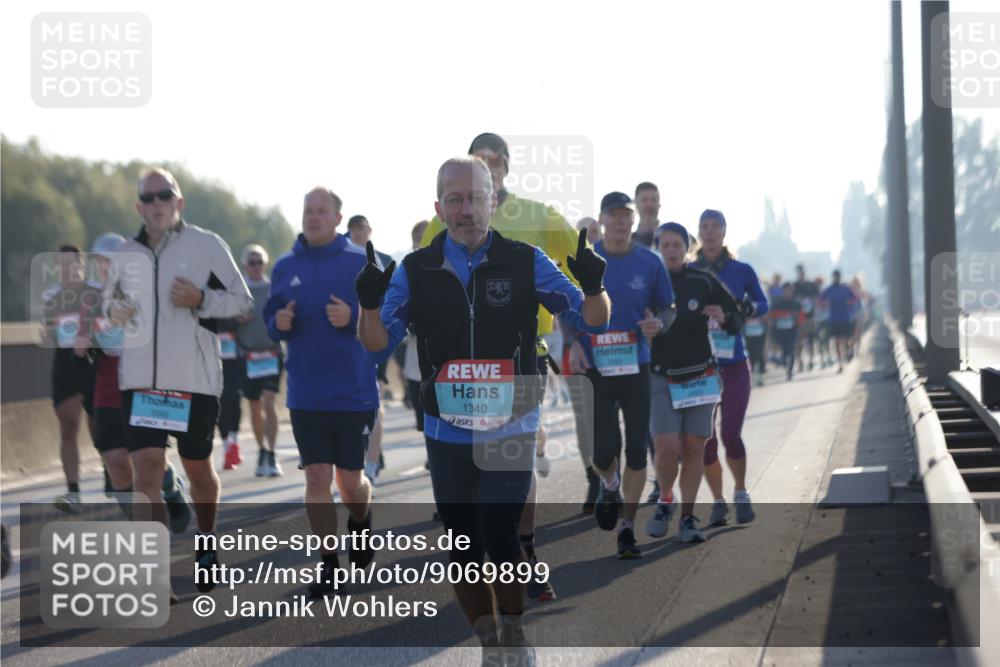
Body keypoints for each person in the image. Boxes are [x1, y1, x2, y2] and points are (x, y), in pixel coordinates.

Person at [359, 156, 609, 663]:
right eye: (454, 199)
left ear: (493, 202)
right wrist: (367, 305)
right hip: (445, 423)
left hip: (512, 415)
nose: (465, 209)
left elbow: (594, 321)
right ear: (438, 207)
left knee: (499, 531)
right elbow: (374, 344)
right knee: (462, 545)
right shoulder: (415, 269)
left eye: (475, 197)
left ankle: (514, 632)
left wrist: (593, 287)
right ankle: (489, 642)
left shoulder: (525, 259)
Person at [420, 133, 581, 604]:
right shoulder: (447, 218)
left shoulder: (539, 215)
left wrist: (588, 293)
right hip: (460, 366)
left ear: (505, 170)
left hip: (521, 355)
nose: (484, 170)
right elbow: (423, 273)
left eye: (492, 163)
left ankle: (523, 550)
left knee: (517, 455)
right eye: (476, 162)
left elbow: (581, 264)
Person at [103, 167, 253, 592]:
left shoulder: (207, 246)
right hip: (141, 383)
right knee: (147, 467)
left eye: (163, 195)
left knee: (199, 470)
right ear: (138, 207)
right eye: (148, 198)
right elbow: (106, 316)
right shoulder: (123, 256)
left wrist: (201, 299)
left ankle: (207, 546)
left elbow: (243, 302)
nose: (156, 204)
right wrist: (113, 316)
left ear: (178, 202)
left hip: (194, 382)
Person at [264, 187, 378, 598]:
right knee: (317, 477)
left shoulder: (359, 263)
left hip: (353, 391)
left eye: (321, 211)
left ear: (336, 218)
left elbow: (383, 322)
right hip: (305, 393)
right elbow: (270, 321)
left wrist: (353, 318)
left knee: (351, 483)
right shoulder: (285, 266)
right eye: (307, 210)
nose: (312, 217)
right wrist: (278, 322)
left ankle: (361, 522)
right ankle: (328, 564)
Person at [566, 192, 674, 558]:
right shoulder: (587, 258)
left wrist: (658, 322)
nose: (621, 222)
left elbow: (667, 307)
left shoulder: (650, 261)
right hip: (596, 367)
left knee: (639, 451)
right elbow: (564, 305)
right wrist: (574, 343)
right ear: (603, 219)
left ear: (632, 220)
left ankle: (627, 529)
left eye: (626, 216)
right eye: (613, 216)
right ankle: (608, 484)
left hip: (636, 366)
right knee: (602, 451)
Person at [81, 233, 192, 535]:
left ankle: (170, 489)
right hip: (108, 392)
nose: (105, 268)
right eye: (101, 263)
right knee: (117, 462)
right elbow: (86, 348)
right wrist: (84, 343)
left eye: (112, 262)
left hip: (147, 388)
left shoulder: (149, 293)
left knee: (151, 461)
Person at [646, 222, 743, 542]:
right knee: (666, 446)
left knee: (693, 448)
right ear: (658, 247)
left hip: (700, 376)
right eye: (665, 245)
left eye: (677, 245)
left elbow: (736, 317)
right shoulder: (648, 281)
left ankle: (687, 518)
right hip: (660, 374)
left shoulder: (703, 280)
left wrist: (724, 316)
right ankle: (665, 499)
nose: (671, 250)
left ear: (687, 248)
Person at [690, 209, 768, 527]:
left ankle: (740, 492)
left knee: (731, 434)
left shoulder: (741, 270)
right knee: (706, 439)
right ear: (699, 233)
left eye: (715, 227)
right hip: (700, 367)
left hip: (734, 363)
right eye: (704, 227)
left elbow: (763, 304)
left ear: (724, 232)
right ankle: (718, 502)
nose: (709, 232)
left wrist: (738, 310)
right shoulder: (688, 271)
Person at [43, 245, 98, 513]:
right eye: (60, 265)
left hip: (94, 364)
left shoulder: (95, 293)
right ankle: (73, 492)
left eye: (70, 264)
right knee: (68, 428)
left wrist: (90, 338)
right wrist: (46, 334)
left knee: (100, 428)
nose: (65, 270)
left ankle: (112, 471)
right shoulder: (51, 297)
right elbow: (48, 333)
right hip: (65, 366)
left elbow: (111, 329)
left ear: (81, 264)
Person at [347, 214, 392, 484]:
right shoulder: (344, 261)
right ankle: (367, 453)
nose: (358, 234)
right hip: (349, 344)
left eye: (362, 230)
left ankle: (371, 464)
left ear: (370, 231)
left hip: (377, 339)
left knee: (374, 404)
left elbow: (393, 301)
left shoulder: (383, 260)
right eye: (353, 230)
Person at [236, 244, 283, 477]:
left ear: (265, 264)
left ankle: (272, 453)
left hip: (272, 352)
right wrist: (236, 318)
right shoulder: (238, 289)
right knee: (254, 407)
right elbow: (224, 319)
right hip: (248, 355)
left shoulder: (274, 289)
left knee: (269, 402)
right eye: (251, 262)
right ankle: (262, 449)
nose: (256, 266)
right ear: (244, 265)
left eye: (260, 262)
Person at [217, 316, 243, 469]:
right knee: (221, 401)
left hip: (235, 357)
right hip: (214, 358)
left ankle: (234, 441)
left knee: (234, 399)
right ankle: (227, 445)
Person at [820, 269, 858, 373]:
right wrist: (825, 304)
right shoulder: (829, 289)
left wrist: (849, 302)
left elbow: (855, 299)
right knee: (836, 342)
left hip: (845, 318)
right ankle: (840, 363)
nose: (836, 278)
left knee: (845, 340)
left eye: (837, 276)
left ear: (839, 277)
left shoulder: (845, 289)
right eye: (834, 276)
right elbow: (820, 301)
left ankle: (847, 353)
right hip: (833, 319)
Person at [769, 283, 805, 381]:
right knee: (784, 351)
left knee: (790, 350)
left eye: (789, 291)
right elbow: (771, 317)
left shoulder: (796, 303)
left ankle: (790, 370)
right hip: (779, 332)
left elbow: (801, 318)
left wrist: (801, 331)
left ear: (791, 292)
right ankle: (784, 362)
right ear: (782, 291)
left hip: (792, 331)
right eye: (785, 291)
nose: (787, 293)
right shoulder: (776, 303)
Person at [792, 264, 821, 373]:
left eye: (802, 272)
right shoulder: (794, 286)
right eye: (799, 272)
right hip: (799, 318)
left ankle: (811, 361)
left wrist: (811, 299)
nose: (801, 274)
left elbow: (818, 297)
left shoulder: (811, 285)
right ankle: (799, 362)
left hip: (810, 316)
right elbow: (791, 298)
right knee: (798, 341)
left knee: (810, 340)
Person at [631, 182, 661, 249]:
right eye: (644, 200)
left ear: (659, 205)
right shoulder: (626, 244)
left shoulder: (672, 241)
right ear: (635, 203)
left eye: (653, 200)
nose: (649, 204)